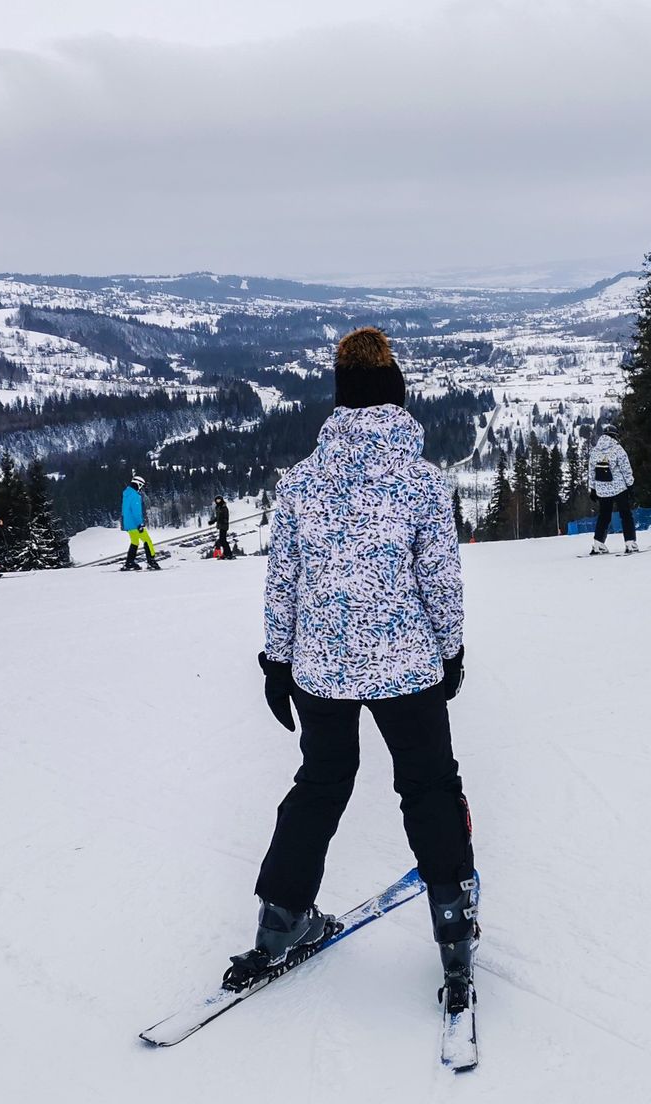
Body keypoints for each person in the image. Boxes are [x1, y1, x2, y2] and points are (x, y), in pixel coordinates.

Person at [237, 326, 477, 1019]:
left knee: (320, 783)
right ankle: (455, 933)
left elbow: (281, 583)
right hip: (407, 667)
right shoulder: (423, 483)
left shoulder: (302, 484)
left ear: (339, 399)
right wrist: (450, 652)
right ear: (396, 394)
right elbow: (441, 583)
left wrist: (277, 663)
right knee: (430, 787)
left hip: (323, 669)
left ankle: (280, 920)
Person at [586, 423, 638, 554]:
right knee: (625, 515)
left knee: (604, 516)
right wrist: (631, 486)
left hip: (602, 490)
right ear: (615, 436)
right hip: (619, 488)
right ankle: (630, 543)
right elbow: (626, 469)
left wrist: (593, 489)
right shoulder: (617, 449)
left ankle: (598, 544)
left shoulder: (595, 451)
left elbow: (591, 472)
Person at [121, 475, 160, 571]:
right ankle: (151, 561)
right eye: (141, 486)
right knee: (147, 541)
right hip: (135, 524)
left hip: (128, 524)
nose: (141, 488)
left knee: (135, 542)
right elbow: (136, 512)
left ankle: (129, 563)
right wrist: (140, 524)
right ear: (138, 484)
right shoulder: (135, 496)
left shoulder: (126, 494)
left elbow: (124, 510)